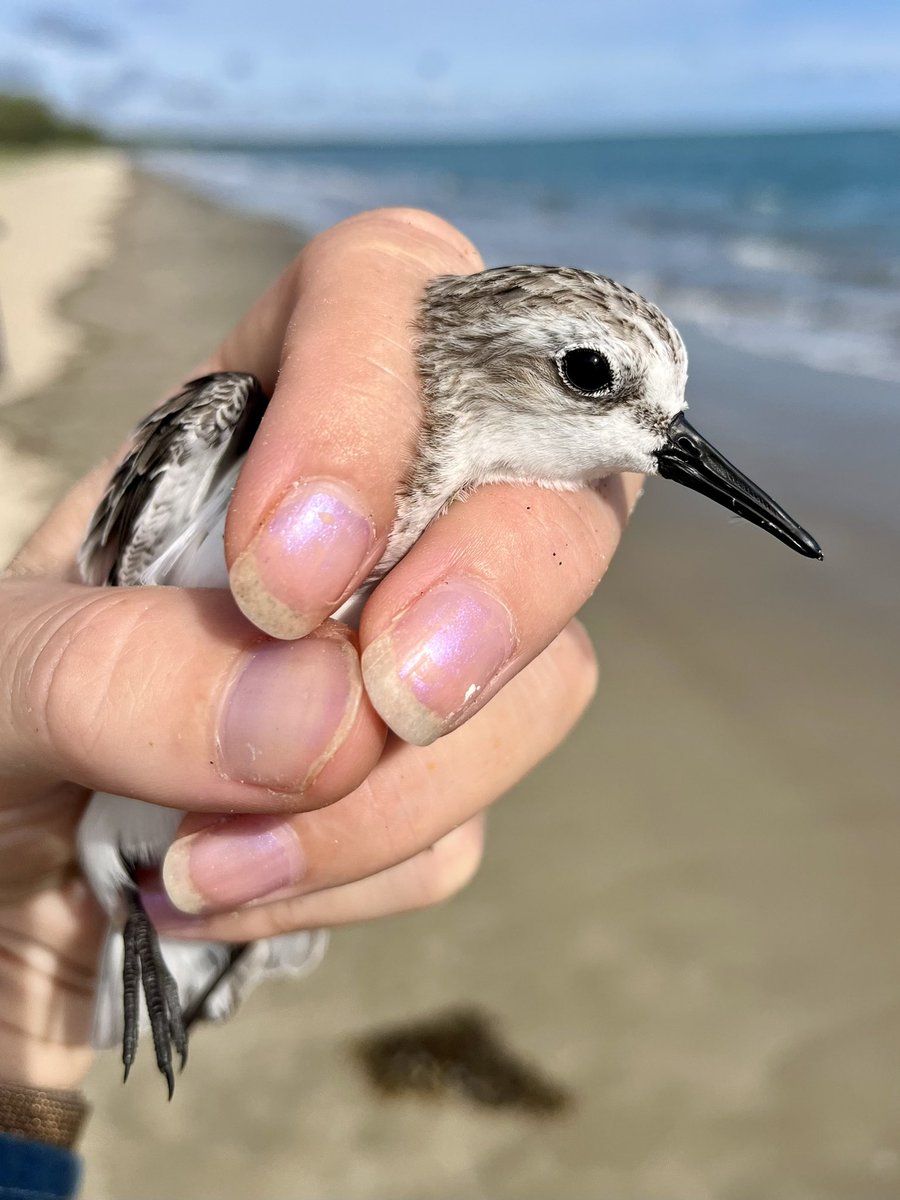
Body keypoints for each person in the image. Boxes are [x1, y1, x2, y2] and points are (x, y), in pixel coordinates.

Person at [0, 208, 638, 1196]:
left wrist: (25, 1005)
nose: (656, 438)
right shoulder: (231, 434)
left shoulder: (491, 516)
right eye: (598, 379)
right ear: (486, 358)